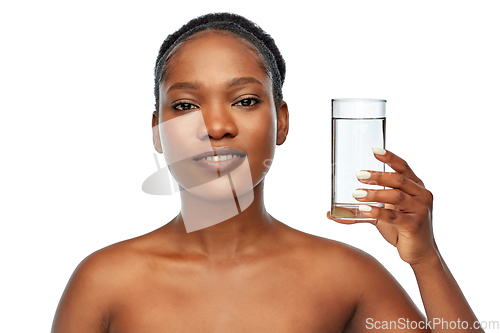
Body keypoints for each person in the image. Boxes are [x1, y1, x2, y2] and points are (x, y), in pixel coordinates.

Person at [52, 13, 483, 332]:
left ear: (282, 121)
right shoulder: (103, 282)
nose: (217, 126)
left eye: (244, 100)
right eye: (185, 106)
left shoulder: (346, 277)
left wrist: (426, 260)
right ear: (157, 130)